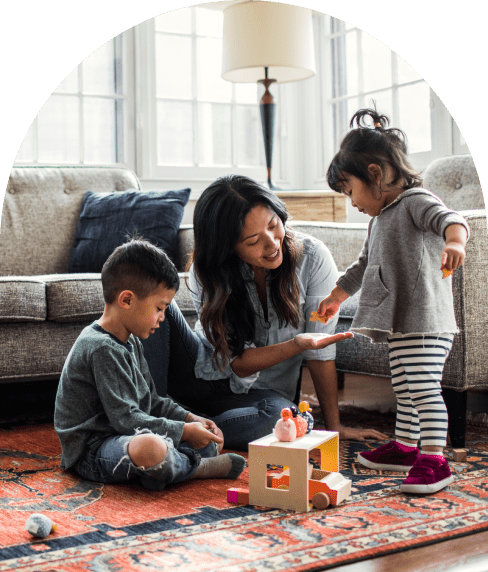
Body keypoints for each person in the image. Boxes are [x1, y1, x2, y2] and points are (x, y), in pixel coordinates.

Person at [148, 175, 388, 451]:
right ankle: (159, 419)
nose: (272, 243)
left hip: (263, 398)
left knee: (284, 419)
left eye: (274, 225)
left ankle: (175, 428)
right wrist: (294, 345)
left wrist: (335, 427)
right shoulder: (208, 271)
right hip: (197, 378)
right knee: (152, 298)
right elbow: (235, 362)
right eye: (252, 241)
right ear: (228, 247)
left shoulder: (313, 258)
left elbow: (320, 350)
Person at [316, 107, 469, 494]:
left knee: (422, 388)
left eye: (350, 190)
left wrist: (454, 242)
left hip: (425, 320)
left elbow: (452, 219)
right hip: (399, 322)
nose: (351, 201)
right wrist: (337, 294)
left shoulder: (416, 200)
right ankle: (404, 447)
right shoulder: (378, 219)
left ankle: (434, 458)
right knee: (403, 386)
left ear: (375, 173)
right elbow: (363, 264)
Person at [54, 238, 246, 491]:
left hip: (124, 434)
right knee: (151, 448)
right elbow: (127, 420)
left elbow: (152, 402)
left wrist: (191, 418)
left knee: (208, 441)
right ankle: (196, 469)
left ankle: (165, 469)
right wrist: (185, 431)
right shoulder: (102, 347)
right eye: (159, 307)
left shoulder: (130, 341)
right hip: (92, 450)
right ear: (126, 300)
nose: (163, 317)